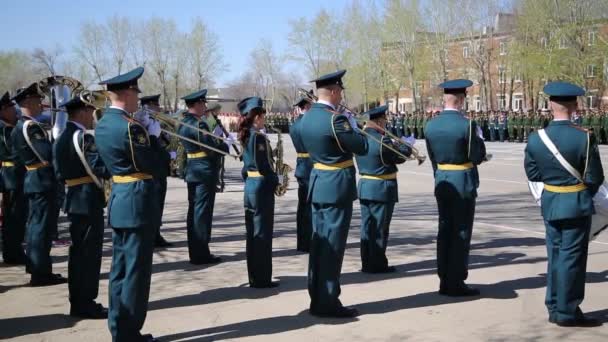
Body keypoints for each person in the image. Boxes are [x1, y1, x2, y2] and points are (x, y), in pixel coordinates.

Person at [524, 82, 604, 327]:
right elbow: (594, 178)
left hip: (550, 203)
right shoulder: (584, 137)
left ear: (550, 106)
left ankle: (554, 304)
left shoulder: (537, 137)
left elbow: (533, 172)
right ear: (575, 105)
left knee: (555, 255)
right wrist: (579, 191)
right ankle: (567, 312)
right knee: (573, 258)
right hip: (576, 203)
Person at [95, 66, 163, 342]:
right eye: (136, 92)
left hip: (121, 200)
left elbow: (101, 166)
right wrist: (155, 137)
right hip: (138, 201)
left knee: (119, 270)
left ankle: (118, 327)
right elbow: (155, 165)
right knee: (135, 271)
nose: (138, 97)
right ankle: (129, 332)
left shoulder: (102, 125)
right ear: (125, 92)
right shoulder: (129, 127)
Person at [299, 69, 368, 318]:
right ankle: (328, 301)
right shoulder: (335, 119)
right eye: (340, 91)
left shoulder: (306, 119)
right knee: (332, 247)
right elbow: (361, 146)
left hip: (318, 183)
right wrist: (352, 125)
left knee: (319, 244)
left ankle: (317, 297)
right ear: (335, 91)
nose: (341, 96)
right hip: (336, 186)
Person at [424, 79, 487, 297]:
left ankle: (444, 278)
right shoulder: (467, 125)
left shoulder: (430, 124)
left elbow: (432, 158)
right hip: (462, 181)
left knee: (444, 231)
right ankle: (456, 281)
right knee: (460, 231)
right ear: (461, 100)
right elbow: (476, 156)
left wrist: (440, 174)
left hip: (442, 179)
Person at [53, 97, 110, 319]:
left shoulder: (62, 137)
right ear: (83, 113)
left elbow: (58, 172)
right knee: (88, 254)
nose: (93, 116)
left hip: (76, 198)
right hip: (87, 200)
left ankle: (79, 300)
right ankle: (84, 302)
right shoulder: (82, 138)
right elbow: (100, 167)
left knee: (78, 254)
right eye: (91, 111)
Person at [10, 83, 66, 286]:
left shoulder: (24, 125)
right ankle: (40, 272)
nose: (41, 103)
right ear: (26, 102)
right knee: (41, 229)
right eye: (36, 99)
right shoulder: (30, 126)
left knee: (37, 228)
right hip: (42, 181)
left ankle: (38, 268)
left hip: (36, 181)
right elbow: (46, 154)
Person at [355, 105, 411, 273]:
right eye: (384, 120)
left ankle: (367, 262)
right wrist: (407, 145)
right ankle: (377, 264)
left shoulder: (360, 136)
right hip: (381, 187)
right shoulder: (382, 140)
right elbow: (398, 157)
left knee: (367, 227)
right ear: (379, 121)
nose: (386, 123)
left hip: (365, 186)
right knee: (379, 228)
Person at [177, 89, 228, 265]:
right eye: (203, 104)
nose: (205, 107)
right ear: (197, 104)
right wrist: (224, 145)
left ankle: (196, 250)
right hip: (204, 172)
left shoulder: (184, 122)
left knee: (195, 213)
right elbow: (211, 147)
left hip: (193, 170)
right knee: (201, 214)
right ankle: (201, 253)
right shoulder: (199, 125)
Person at [237, 97, 279, 288]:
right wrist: (276, 181)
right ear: (257, 117)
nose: (264, 120)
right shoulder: (258, 137)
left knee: (252, 233)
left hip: (251, 186)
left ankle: (254, 275)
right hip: (261, 186)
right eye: (263, 116)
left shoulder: (246, 135)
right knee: (262, 233)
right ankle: (262, 278)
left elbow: (247, 166)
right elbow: (264, 166)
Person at [136, 94, 173, 248]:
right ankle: (152, 235)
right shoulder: (141, 123)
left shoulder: (154, 122)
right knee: (154, 205)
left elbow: (163, 141)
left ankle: (156, 234)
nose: (158, 108)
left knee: (159, 204)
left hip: (160, 169)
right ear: (148, 106)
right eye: (156, 105)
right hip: (153, 170)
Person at [0, 91, 27, 265]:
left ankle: (12, 251)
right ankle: (13, 252)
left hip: (11, 175)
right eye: (11, 108)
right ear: (2, 110)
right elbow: (15, 153)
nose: (14, 111)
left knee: (14, 217)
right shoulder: (5, 129)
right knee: (14, 217)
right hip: (12, 176)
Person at [289, 94, 313, 252]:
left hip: (301, 164)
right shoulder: (309, 124)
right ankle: (309, 241)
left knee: (302, 206)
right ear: (308, 106)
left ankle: (302, 241)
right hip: (311, 165)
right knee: (310, 206)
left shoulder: (294, 124)